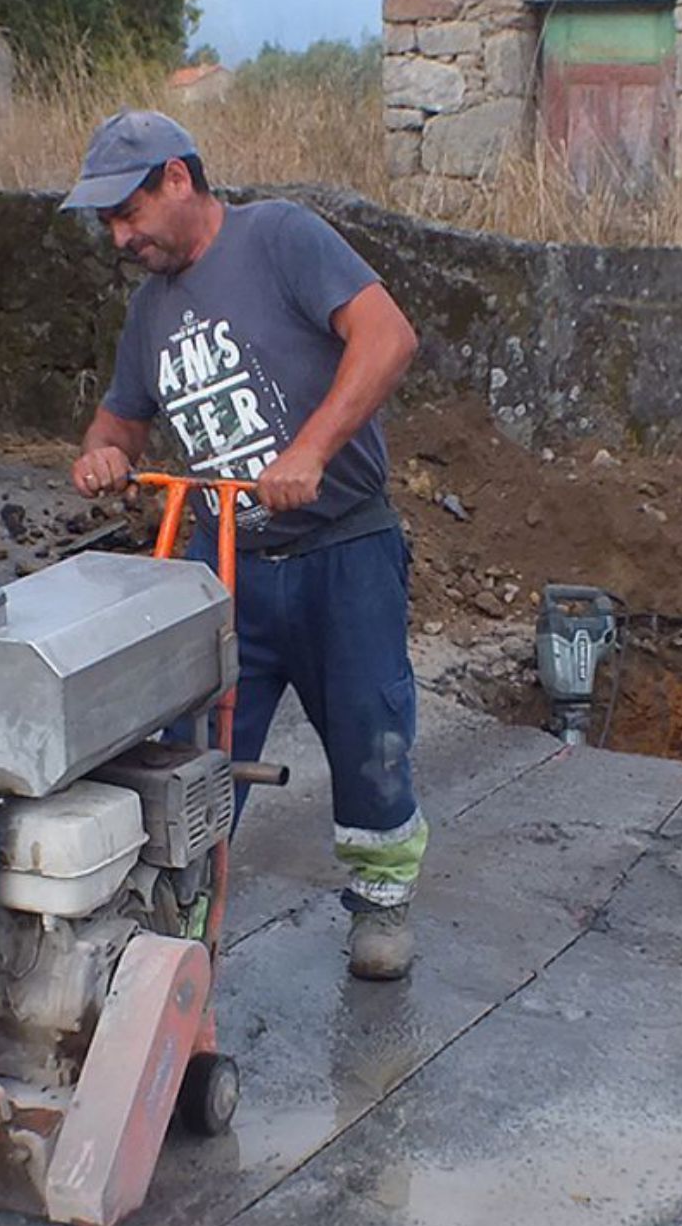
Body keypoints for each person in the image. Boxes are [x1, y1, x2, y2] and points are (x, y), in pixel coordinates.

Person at [60, 110, 427, 981]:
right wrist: (104, 454)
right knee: (196, 746)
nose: (120, 236)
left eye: (128, 213)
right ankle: (183, 911)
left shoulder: (281, 238)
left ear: (179, 179)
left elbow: (389, 337)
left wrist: (309, 451)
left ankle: (381, 898)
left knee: (371, 729)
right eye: (107, 223)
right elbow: (120, 421)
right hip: (227, 565)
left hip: (343, 545)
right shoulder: (149, 311)